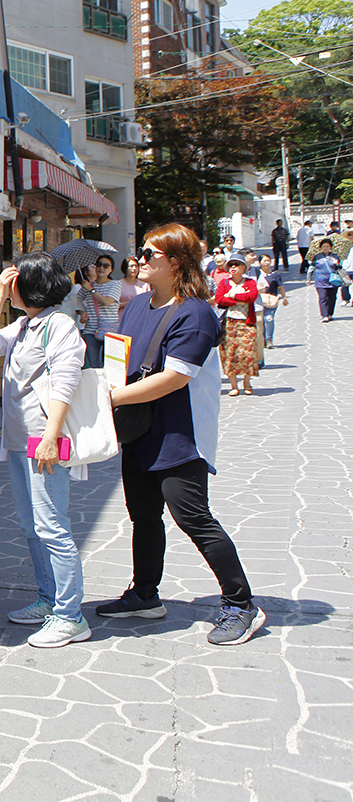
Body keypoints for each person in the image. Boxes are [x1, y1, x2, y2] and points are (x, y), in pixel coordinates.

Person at [98, 223, 265, 646]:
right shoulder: (136, 305)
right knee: (143, 515)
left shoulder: (196, 312)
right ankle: (145, 594)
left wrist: (110, 400)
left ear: (175, 262)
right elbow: (120, 358)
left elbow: (175, 377)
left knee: (191, 516)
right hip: (138, 428)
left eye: (151, 253)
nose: (140, 258)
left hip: (180, 432)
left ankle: (241, 603)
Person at [0, 252, 91, 648]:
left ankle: (70, 614)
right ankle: (47, 599)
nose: (11, 285)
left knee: (52, 527)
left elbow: (65, 381)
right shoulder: (25, 325)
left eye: (15, 279)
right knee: (32, 526)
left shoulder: (57, 325)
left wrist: (50, 439)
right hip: (21, 441)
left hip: (43, 439)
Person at [214, 255, 259, 397]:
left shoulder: (250, 282)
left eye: (237, 264)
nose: (233, 267)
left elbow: (252, 296)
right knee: (229, 354)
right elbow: (220, 299)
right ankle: (234, 385)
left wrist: (232, 296)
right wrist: (239, 299)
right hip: (229, 323)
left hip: (246, 322)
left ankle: (247, 382)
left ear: (244, 267)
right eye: (231, 264)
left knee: (249, 353)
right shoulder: (225, 283)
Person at [76, 256, 120, 367]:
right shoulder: (88, 286)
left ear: (111, 269)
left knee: (111, 365)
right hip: (91, 330)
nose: (101, 268)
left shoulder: (115, 284)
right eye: (99, 265)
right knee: (93, 365)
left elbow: (106, 301)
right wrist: (82, 313)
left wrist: (91, 290)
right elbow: (76, 302)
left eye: (106, 266)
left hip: (110, 330)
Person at [257, 256, 287, 348]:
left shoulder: (275, 274)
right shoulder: (257, 274)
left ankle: (269, 339)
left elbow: (280, 286)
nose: (267, 263)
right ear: (260, 263)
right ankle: (262, 339)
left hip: (271, 300)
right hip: (259, 299)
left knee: (268, 319)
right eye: (264, 261)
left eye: (268, 261)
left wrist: (284, 297)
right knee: (260, 320)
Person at [311, 238, 342, 323]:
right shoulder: (317, 257)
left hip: (333, 281)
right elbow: (311, 268)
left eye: (327, 246)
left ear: (330, 247)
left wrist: (337, 264)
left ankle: (330, 314)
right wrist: (308, 279)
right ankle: (324, 315)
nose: (325, 248)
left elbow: (340, 268)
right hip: (320, 281)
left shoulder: (335, 256)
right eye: (324, 246)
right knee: (323, 298)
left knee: (332, 298)